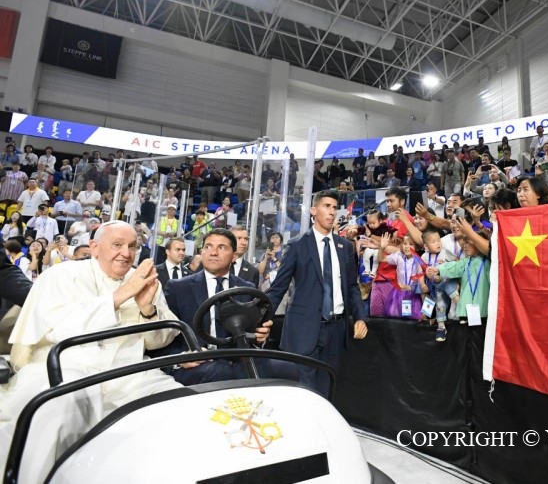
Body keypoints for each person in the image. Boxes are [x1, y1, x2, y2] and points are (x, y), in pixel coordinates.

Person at [0, 221, 182, 484]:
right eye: (117, 245)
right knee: (59, 409)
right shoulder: (60, 275)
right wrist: (118, 297)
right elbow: (58, 328)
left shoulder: (142, 280)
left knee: (177, 406)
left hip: (129, 373)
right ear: (95, 247)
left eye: (132, 246)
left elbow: (158, 340)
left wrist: (147, 310)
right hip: (63, 368)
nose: (126, 253)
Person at [267, 190, 368, 396]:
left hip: (336, 330)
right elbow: (279, 287)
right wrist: (261, 319)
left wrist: (360, 317)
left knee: (327, 391)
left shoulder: (345, 247)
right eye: (326, 206)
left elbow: (351, 287)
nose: (332, 212)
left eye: (334, 208)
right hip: (303, 329)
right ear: (314, 210)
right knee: (302, 393)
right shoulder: (297, 245)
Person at [157, 228, 273, 385]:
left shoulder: (247, 288)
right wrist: (180, 358)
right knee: (221, 373)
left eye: (222, 248)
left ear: (233, 256)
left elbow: (252, 334)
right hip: (196, 364)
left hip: (237, 361)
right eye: (208, 247)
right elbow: (163, 336)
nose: (213, 252)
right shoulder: (178, 288)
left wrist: (261, 336)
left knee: (288, 368)